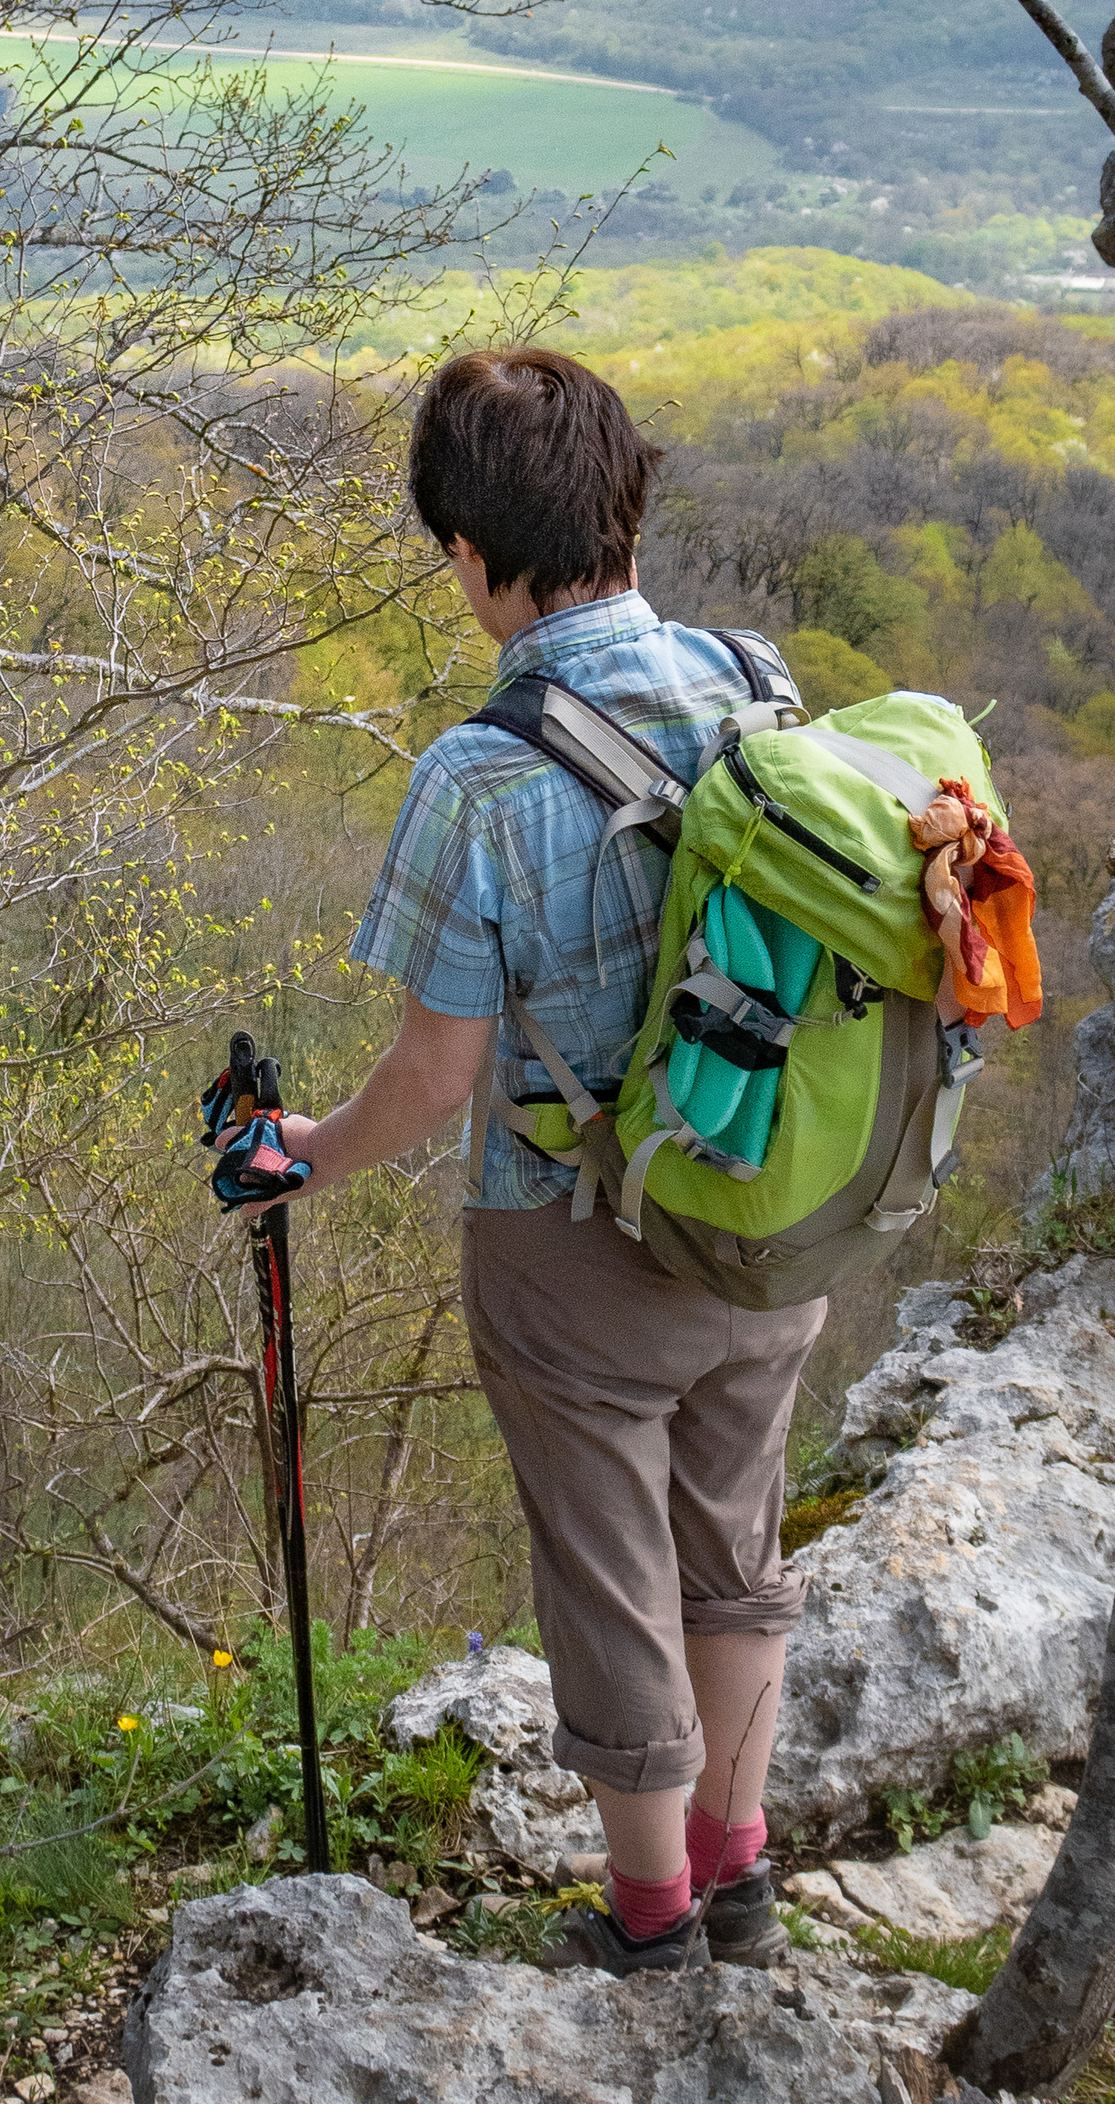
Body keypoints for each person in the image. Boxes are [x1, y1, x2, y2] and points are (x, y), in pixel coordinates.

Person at [271, 344, 821, 1975]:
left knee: (611, 1572)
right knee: (735, 1553)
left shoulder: (480, 774)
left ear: (469, 549)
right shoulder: (759, 684)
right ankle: (738, 1870)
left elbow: (435, 1077)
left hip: (574, 1245)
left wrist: (308, 1157)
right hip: (775, 1210)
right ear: (625, 503)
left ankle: (651, 1921)